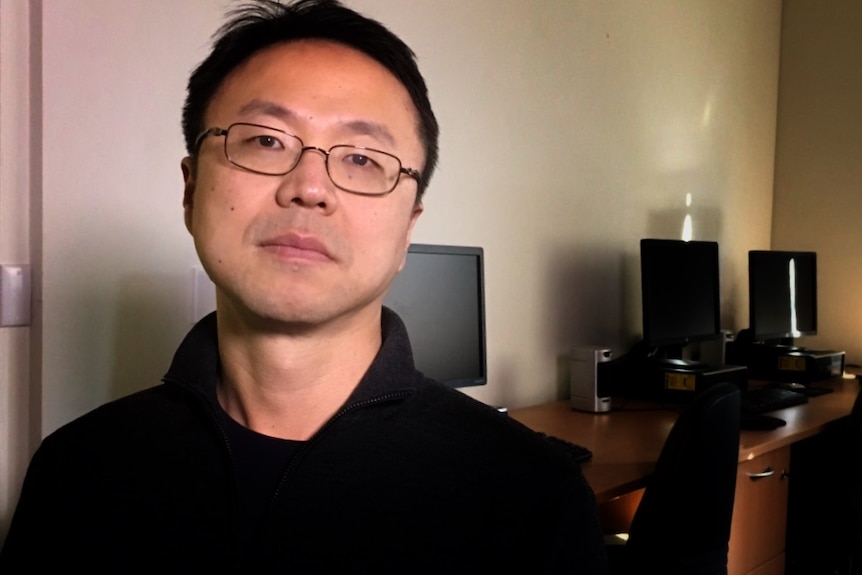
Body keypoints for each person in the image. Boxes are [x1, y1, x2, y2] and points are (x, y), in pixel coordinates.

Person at [0, 1, 607, 571]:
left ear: (407, 230)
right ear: (190, 191)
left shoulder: (532, 494)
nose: (309, 186)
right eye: (266, 141)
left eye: (364, 159)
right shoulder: (76, 469)